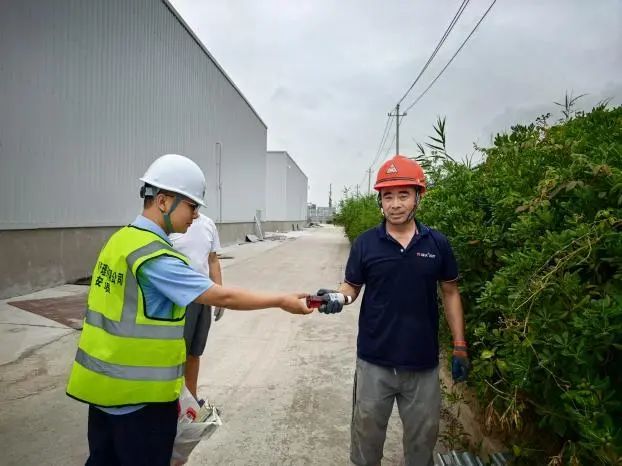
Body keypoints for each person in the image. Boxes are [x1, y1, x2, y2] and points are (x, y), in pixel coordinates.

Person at [66, 153, 312, 466]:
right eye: (192, 206)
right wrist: (282, 300)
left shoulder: (121, 240)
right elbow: (223, 296)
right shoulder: (155, 257)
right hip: (141, 403)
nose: (195, 216)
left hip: (103, 396)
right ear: (163, 201)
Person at [316, 155, 470, 466]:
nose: (395, 204)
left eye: (403, 195)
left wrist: (459, 345)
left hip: (422, 363)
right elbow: (351, 288)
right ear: (380, 201)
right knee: (366, 442)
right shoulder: (366, 244)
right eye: (388, 196)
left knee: (422, 444)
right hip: (374, 361)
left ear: (418, 197)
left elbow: (450, 292)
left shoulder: (437, 244)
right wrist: (337, 298)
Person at [170, 213, 224, 400]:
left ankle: (191, 402)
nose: (194, 209)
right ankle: (173, 402)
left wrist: (219, 294)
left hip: (203, 297)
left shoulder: (208, 224)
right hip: (178, 299)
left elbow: (213, 260)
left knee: (195, 352)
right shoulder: (172, 224)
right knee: (177, 355)